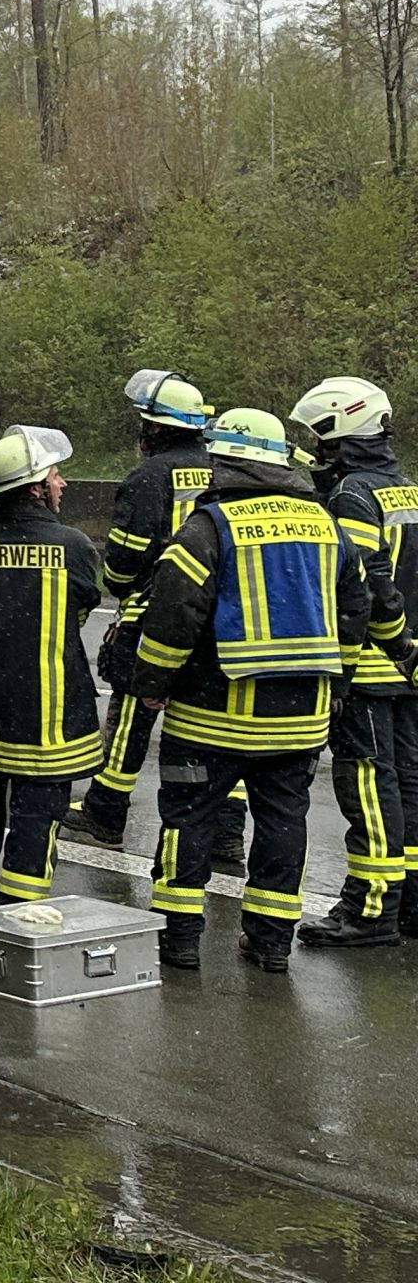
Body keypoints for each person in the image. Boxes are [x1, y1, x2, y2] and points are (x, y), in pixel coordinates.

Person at [132, 407, 374, 974]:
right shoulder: (326, 525)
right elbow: (356, 606)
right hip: (299, 725)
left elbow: (172, 616)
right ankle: (270, 945)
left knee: (187, 825)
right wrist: (338, 678)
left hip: (208, 721)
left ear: (226, 461)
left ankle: (181, 941)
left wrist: (151, 684)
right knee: (284, 829)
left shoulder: (207, 528)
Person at [0, 426, 104, 914]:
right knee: (36, 821)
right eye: (55, 475)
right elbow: (81, 607)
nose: (62, 484)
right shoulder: (72, 545)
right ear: (35, 487)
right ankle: (18, 914)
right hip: (49, 717)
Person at [290, 378, 418, 947]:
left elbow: (364, 585)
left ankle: (370, 910)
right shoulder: (404, 489)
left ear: (335, 432)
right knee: (409, 784)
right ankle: (408, 903)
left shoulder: (352, 496)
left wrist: (364, 655)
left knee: (368, 783)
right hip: (410, 666)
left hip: (370, 666)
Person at [69, 370, 216, 851]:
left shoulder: (150, 477)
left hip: (154, 613)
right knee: (209, 724)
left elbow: (125, 562)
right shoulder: (224, 466)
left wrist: (119, 586)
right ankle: (226, 835)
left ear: (155, 428)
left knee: (131, 712)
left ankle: (106, 813)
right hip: (216, 618)